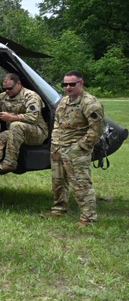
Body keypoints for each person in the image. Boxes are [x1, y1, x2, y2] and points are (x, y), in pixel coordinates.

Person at [41, 70, 106, 226]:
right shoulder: (64, 101)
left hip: (76, 150)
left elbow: (97, 129)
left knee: (81, 183)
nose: (68, 87)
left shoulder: (90, 103)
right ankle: (58, 210)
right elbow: (57, 123)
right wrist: (55, 143)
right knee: (58, 181)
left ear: (81, 83)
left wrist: (80, 147)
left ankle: (88, 217)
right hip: (58, 148)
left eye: (72, 84)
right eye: (65, 84)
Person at [0, 73, 48, 174]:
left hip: (37, 132)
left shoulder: (30, 96)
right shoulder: (3, 97)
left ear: (18, 84)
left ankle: (10, 162)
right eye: (5, 89)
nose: (7, 91)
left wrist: (12, 118)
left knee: (15, 125)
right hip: (14, 132)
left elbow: (33, 117)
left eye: (10, 88)